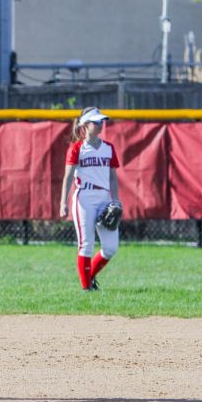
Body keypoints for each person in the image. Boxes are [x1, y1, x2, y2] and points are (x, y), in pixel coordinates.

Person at [59, 107, 122, 291]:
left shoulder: (108, 148)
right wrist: (63, 202)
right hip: (84, 197)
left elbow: (112, 177)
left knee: (110, 248)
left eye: (102, 121)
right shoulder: (77, 148)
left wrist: (116, 200)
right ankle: (87, 288)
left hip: (104, 198)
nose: (101, 124)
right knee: (86, 244)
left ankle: (89, 275)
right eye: (96, 121)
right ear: (85, 124)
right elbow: (68, 177)